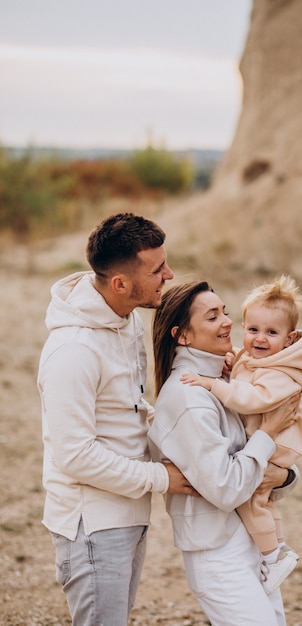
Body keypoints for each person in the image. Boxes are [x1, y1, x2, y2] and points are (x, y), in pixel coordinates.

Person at [37, 212, 198, 626]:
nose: (170, 274)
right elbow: (75, 455)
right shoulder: (73, 351)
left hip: (128, 509)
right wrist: (162, 478)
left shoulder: (124, 321)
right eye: (157, 269)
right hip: (93, 524)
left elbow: (133, 407)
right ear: (120, 283)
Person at [147, 280, 302, 626]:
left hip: (249, 539)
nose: (228, 322)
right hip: (217, 552)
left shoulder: (231, 383)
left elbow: (267, 473)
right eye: (213, 316)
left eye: (226, 312)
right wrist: (268, 431)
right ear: (183, 336)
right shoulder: (190, 397)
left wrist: (287, 474)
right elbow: (227, 488)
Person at [180, 275, 302, 595]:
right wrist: (232, 361)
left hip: (280, 444)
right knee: (265, 502)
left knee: (249, 498)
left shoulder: (283, 372)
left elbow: (252, 399)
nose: (259, 339)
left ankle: (271, 557)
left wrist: (213, 384)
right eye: (253, 329)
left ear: (289, 339)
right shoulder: (258, 357)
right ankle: (278, 549)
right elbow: (245, 367)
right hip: (270, 440)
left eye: (272, 333)